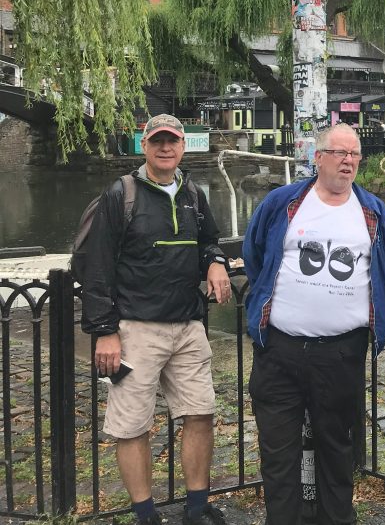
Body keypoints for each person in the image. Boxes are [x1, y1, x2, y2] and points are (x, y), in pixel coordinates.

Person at [243, 124, 385, 525]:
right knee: (278, 451)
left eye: (355, 155)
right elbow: (256, 255)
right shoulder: (284, 203)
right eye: (340, 153)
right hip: (279, 350)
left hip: (341, 353)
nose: (348, 161)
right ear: (318, 157)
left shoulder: (374, 213)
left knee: (336, 448)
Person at [80, 114, 231, 525]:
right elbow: (98, 267)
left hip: (187, 325)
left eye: (173, 141)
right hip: (134, 329)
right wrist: (104, 331)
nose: (166, 148)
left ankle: (197, 508)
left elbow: (209, 242)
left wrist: (215, 263)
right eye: (157, 141)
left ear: (183, 146)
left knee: (200, 413)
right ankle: (145, 514)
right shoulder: (121, 194)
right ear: (143, 146)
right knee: (132, 426)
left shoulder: (194, 194)